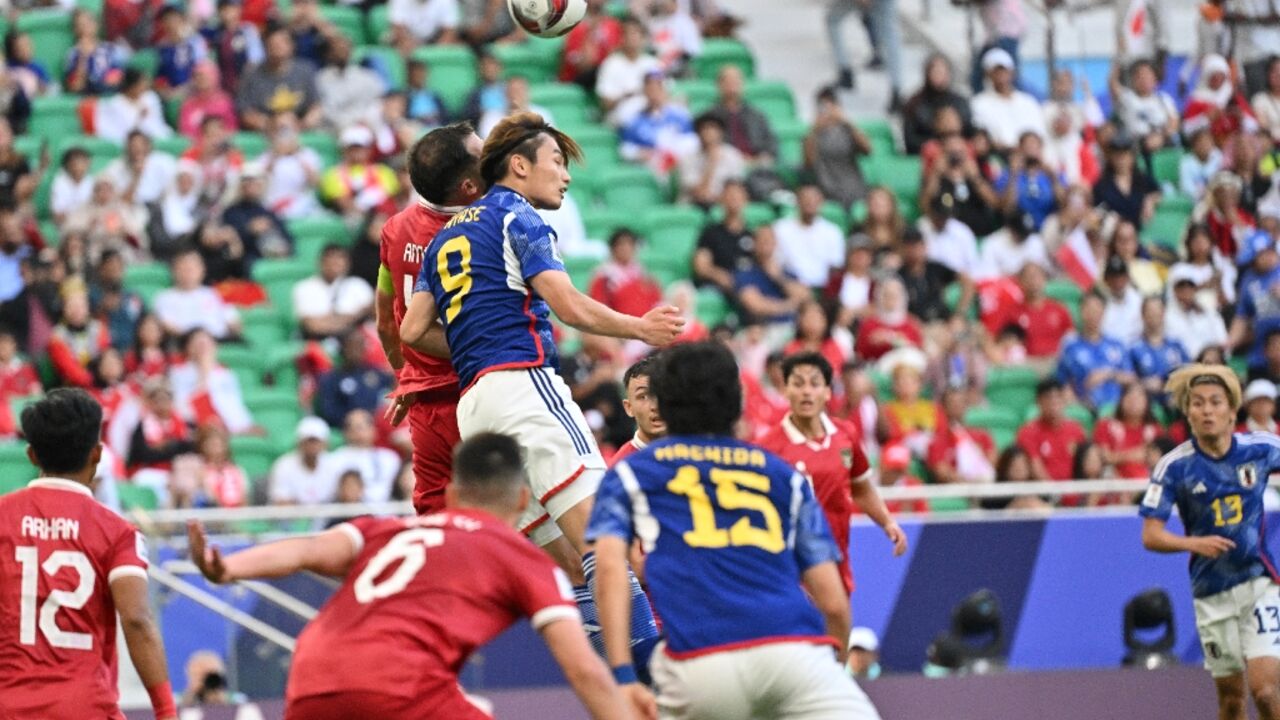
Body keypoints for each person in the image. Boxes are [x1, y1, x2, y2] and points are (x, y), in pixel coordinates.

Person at [400, 112, 680, 674]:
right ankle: (655, 689)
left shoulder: (445, 237)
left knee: (577, 573)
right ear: (520, 166)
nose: (566, 177)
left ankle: (625, 691)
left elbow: (410, 330)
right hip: (526, 388)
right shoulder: (517, 216)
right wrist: (639, 328)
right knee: (607, 549)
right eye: (556, 162)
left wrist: (475, 346)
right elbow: (567, 303)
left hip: (476, 409)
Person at [188, 432, 644, 720]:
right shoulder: (520, 558)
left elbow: (306, 550)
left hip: (311, 678)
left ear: (452, 491)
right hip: (396, 683)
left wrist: (227, 567)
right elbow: (584, 669)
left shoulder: (390, 529)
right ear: (524, 497)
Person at [587, 341, 883, 719]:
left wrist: (623, 676)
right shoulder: (781, 474)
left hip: (697, 662)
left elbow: (609, 572)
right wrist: (832, 668)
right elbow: (834, 604)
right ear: (738, 403)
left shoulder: (629, 473)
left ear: (666, 402)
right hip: (793, 653)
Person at [0, 389, 177, 720]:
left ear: (32, 455)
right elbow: (137, 618)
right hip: (85, 707)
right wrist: (166, 711)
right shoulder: (117, 532)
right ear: (96, 454)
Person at [1141, 364, 1280, 720]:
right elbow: (1151, 535)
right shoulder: (1174, 467)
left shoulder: (1261, 448)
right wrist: (1194, 544)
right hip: (1211, 593)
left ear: (1233, 411)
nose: (1207, 410)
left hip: (1258, 583)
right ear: (1187, 413)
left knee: (1266, 691)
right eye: (1198, 403)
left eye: (1216, 402)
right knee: (1232, 702)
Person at [375, 123, 483, 516]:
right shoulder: (484, 230)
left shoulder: (395, 229)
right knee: (515, 513)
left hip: (426, 403)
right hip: (485, 389)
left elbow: (387, 322)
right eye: (483, 153)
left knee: (438, 516)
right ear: (468, 185)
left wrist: (407, 375)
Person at [758, 351, 908, 594]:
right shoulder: (768, 448)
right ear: (785, 390)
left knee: (838, 629)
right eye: (798, 383)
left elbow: (860, 487)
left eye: (814, 383)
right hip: (789, 567)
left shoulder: (845, 435)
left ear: (828, 392)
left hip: (837, 556)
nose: (806, 391)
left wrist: (887, 522)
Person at [805, 87, 871, 209]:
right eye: (822, 107)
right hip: (827, 193)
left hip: (854, 190)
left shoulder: (848, 130)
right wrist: (814, 130)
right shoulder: (812, 135)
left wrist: (847, 121)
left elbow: (868, 150)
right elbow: (808, 163)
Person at [292, 243, 374, 342]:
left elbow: (371, 311)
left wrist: (334, 319)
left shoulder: (358, 285)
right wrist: (349, 319)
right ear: (321, 262)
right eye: (331, 259)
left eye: (340, 259)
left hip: (355, 338)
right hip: (319, 338)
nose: (336, 264)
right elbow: (311, 325)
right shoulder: (304, 288)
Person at [970, 48, 1046, 154]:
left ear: (1012, 72)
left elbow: (1039, 133)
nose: (1001, 75)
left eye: (1004, 70)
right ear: (987, 74)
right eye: (996, 71)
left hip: (1029, 157)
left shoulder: (1028, 102)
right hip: (999, 157)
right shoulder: (979, 103)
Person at [774, 183, 846, 290]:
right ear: (797, 201)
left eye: (814, 199)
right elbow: (774, 263)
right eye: (805, 199)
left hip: (822, 289)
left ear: (821, 202)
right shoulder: (780, 228)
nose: (810, 203)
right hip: (789, 287)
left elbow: (836, 266)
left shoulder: (832, 231)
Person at [1017, 378, 1087, 483]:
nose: (1054, 402)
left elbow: (1086, 462)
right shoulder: (1028, 432)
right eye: (1048, 397)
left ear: (1064, 400)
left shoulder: (1076, 429)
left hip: (1075, 490)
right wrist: (1055, 493)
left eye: (1058, 396)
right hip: (1043, 492)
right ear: (1038, 401)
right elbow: (1035, 467)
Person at [596, 16, 661, 128]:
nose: (633, 38)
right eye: (628, 34)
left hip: (652, 112)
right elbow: (605, 104)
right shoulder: (611, 64)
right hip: (623, 115)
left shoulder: (652, 63)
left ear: (643, 37)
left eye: (636, 33)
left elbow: (664, 93)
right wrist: (626, 95)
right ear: (621, 38)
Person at [267, 416, 340, 506]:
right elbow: (282, 502)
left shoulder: (335, 464)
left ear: (325, 444)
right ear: (299, 443)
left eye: (316, 441)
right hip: (293, 519)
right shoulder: (284, 465)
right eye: (308, 441)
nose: (312, 446)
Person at [610, 355, 665, 466]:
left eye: (663, 393)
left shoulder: (700, 452)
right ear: (629, 408)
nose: (655, 406)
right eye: (643, 396)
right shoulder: (620, 468)